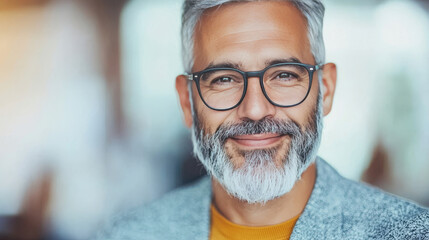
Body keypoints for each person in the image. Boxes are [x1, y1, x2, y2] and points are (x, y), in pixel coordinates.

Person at [95, 0, 429, 239]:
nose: (255, 109)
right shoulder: (127, 234)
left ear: (325, 90)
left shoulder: (407, 233)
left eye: (284, 75)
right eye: (224, 78)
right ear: (187, 101)